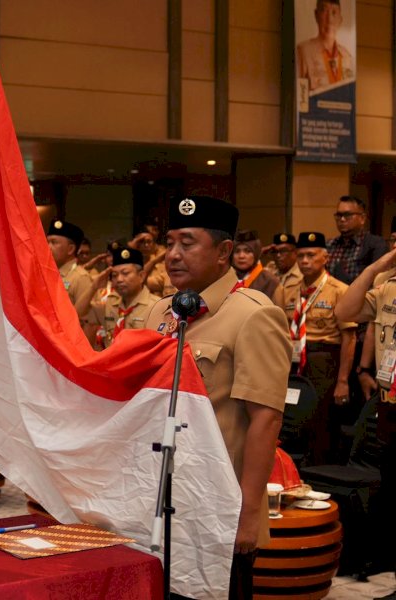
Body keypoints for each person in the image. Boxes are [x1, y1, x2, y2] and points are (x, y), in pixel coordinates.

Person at [144, 196, 291, 600]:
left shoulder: (254, 315)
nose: (172, 255)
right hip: (160, 502)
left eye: (187, 243)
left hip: (217, 510)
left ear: (224, 252)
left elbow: (266, 419)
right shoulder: (159, 313)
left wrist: (247, 517)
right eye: (170, 242)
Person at [335, 244, 396, 598]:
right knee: (390, 489)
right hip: (389, 403)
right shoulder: (387, 283)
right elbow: (346, 309)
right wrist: (375, 266)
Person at [284, 232, 356, 465]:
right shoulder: (288, 289)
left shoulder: (339, 290)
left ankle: (320, 467)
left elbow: (349, 338)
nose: (305, 261)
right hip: (293, 359)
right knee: (293, 413)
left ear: (325, 258)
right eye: (301, 255)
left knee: (321, 418)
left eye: (311, 255)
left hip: (324, 360)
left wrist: (343, 380)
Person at [76, 246, 159, 349]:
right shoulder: (110, 304)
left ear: (141, 276)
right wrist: (94, 287)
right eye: (114, 275)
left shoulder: (156, 306)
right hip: (111, 363)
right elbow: (78, 313)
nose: (119, 279)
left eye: (125, 273)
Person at [327, 195, 388, 286]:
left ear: (362, 218)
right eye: (339, 215)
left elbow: (378, 282)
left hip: (362, 298)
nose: (342, 219)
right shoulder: (329, 245)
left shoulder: (376, 245)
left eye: (347, 215)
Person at [297, 0, 354, 93]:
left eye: (334, 13)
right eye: (324, 11)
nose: (329, 20)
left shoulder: (347, 56)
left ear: (340, 19)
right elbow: (299, 97)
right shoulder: (303, 52)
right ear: (316, 15)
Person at [232, 230, 286, 311]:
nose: (241, 256)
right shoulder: (226, 279)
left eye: (247, 251)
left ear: (256, 253)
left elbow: (279, 320)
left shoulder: (270, 282)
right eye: (237, 251)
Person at [46, 220, 92, 309]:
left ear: (70, 249)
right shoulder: (50, 274)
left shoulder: (80, 277)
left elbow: (86, 317)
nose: (48, 247)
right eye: (47, 242)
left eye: (54, 242)